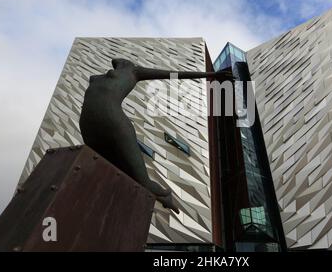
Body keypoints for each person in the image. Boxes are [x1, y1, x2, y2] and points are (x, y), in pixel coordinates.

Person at [80, 58, 231, 213]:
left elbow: (174, 74)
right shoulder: (113, 73)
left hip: (111, 118)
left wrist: (212, 74)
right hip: (87, 123)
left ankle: (163, 196)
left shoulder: (134, 70)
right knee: (105, 170)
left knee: (141, 179)